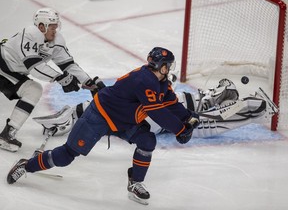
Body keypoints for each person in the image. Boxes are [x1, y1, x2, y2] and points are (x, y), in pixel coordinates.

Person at [6, 47, 200, 205]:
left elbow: (171, 103)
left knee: (147, 140)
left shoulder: (161, 82)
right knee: (67, 155)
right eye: (167, 66)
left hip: (124, 121)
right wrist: (181, 129)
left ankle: (135, 183)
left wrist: (188, 117)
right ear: (158, 66)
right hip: (99, 116)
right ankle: (27, 165)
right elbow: (156, 111)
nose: (169, 69)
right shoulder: (145, 80)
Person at [33, 78, 278, 139]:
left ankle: (251, 109)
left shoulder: (92, 114)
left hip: (153, 116)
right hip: (156, 113)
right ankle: (226, 99)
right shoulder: (92, 109)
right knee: (192, 112)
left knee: (198, 121)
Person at [0, 8, 102, 152]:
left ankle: (7, 134)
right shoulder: (30, 33)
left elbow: (68, 64)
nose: (55, 31)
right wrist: (60, 77)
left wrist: (88, 82)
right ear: (41, 26)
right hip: (3, 65)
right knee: (33, 89)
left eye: (56, 26)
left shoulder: (56, 40)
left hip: (9, 71)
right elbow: (34, 67)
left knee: (33, 90)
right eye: (52, 27)